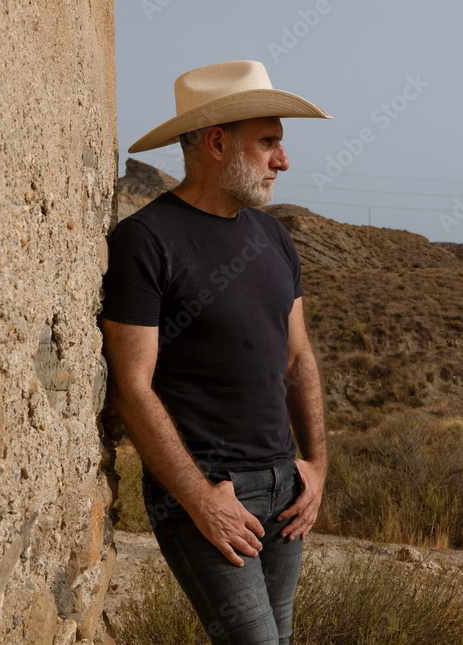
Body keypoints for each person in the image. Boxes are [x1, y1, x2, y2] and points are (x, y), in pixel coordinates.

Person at [99, 60, 331, 645]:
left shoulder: (274, 236)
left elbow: (300, 359)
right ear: (218, 142)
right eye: (269, 143)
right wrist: (200, 497)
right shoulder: (146, 240)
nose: (283, 160)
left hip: (284, 487)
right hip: (208, 491)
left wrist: (317, 467)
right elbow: (132, 384)